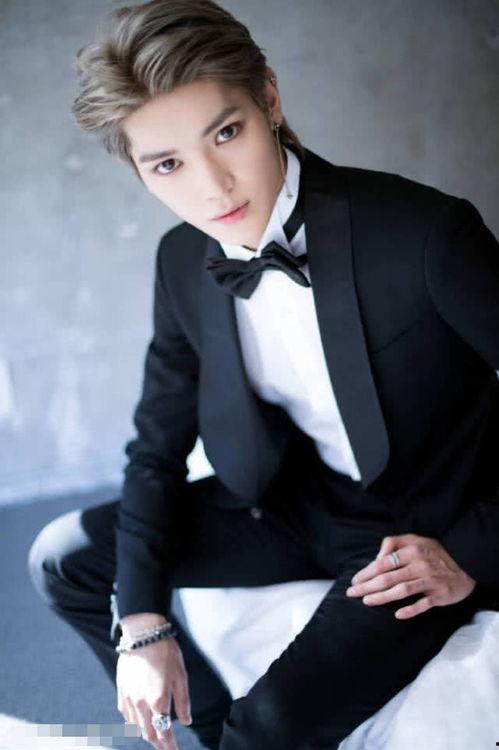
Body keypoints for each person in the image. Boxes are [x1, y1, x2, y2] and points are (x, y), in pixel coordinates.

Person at [27, 1, 499, 749]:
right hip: (290, 505)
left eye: (226, 133)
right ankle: (215, 731)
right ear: (138, 171)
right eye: (168, 164)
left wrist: (471, 551)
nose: (213, 188)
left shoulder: (424, 234)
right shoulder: (182, 261)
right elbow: (156, 447)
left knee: (270, 724)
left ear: (269, 101)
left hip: (416, 533)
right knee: (64, 558)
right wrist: (143, 622)